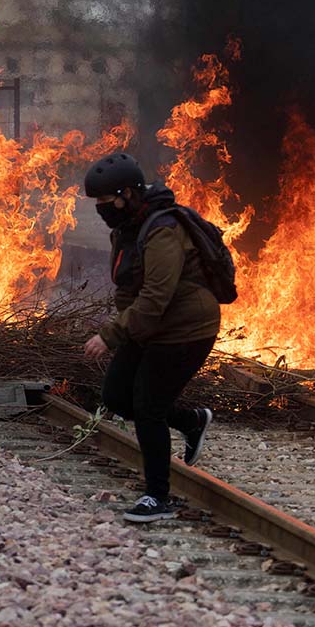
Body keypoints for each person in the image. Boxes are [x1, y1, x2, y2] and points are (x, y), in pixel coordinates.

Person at [82, 152, 220, 523]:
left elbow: (157, 296)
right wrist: (124, 329)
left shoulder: (161, 231)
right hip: (152, 326)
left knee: (147, 406)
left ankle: (158, 497)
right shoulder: (128, 227)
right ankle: (191, 421)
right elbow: (131, 289)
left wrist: (111, 334)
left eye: (105, 201)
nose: (101, 209)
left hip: (186, 329)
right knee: (116, 396)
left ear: (127, 194)